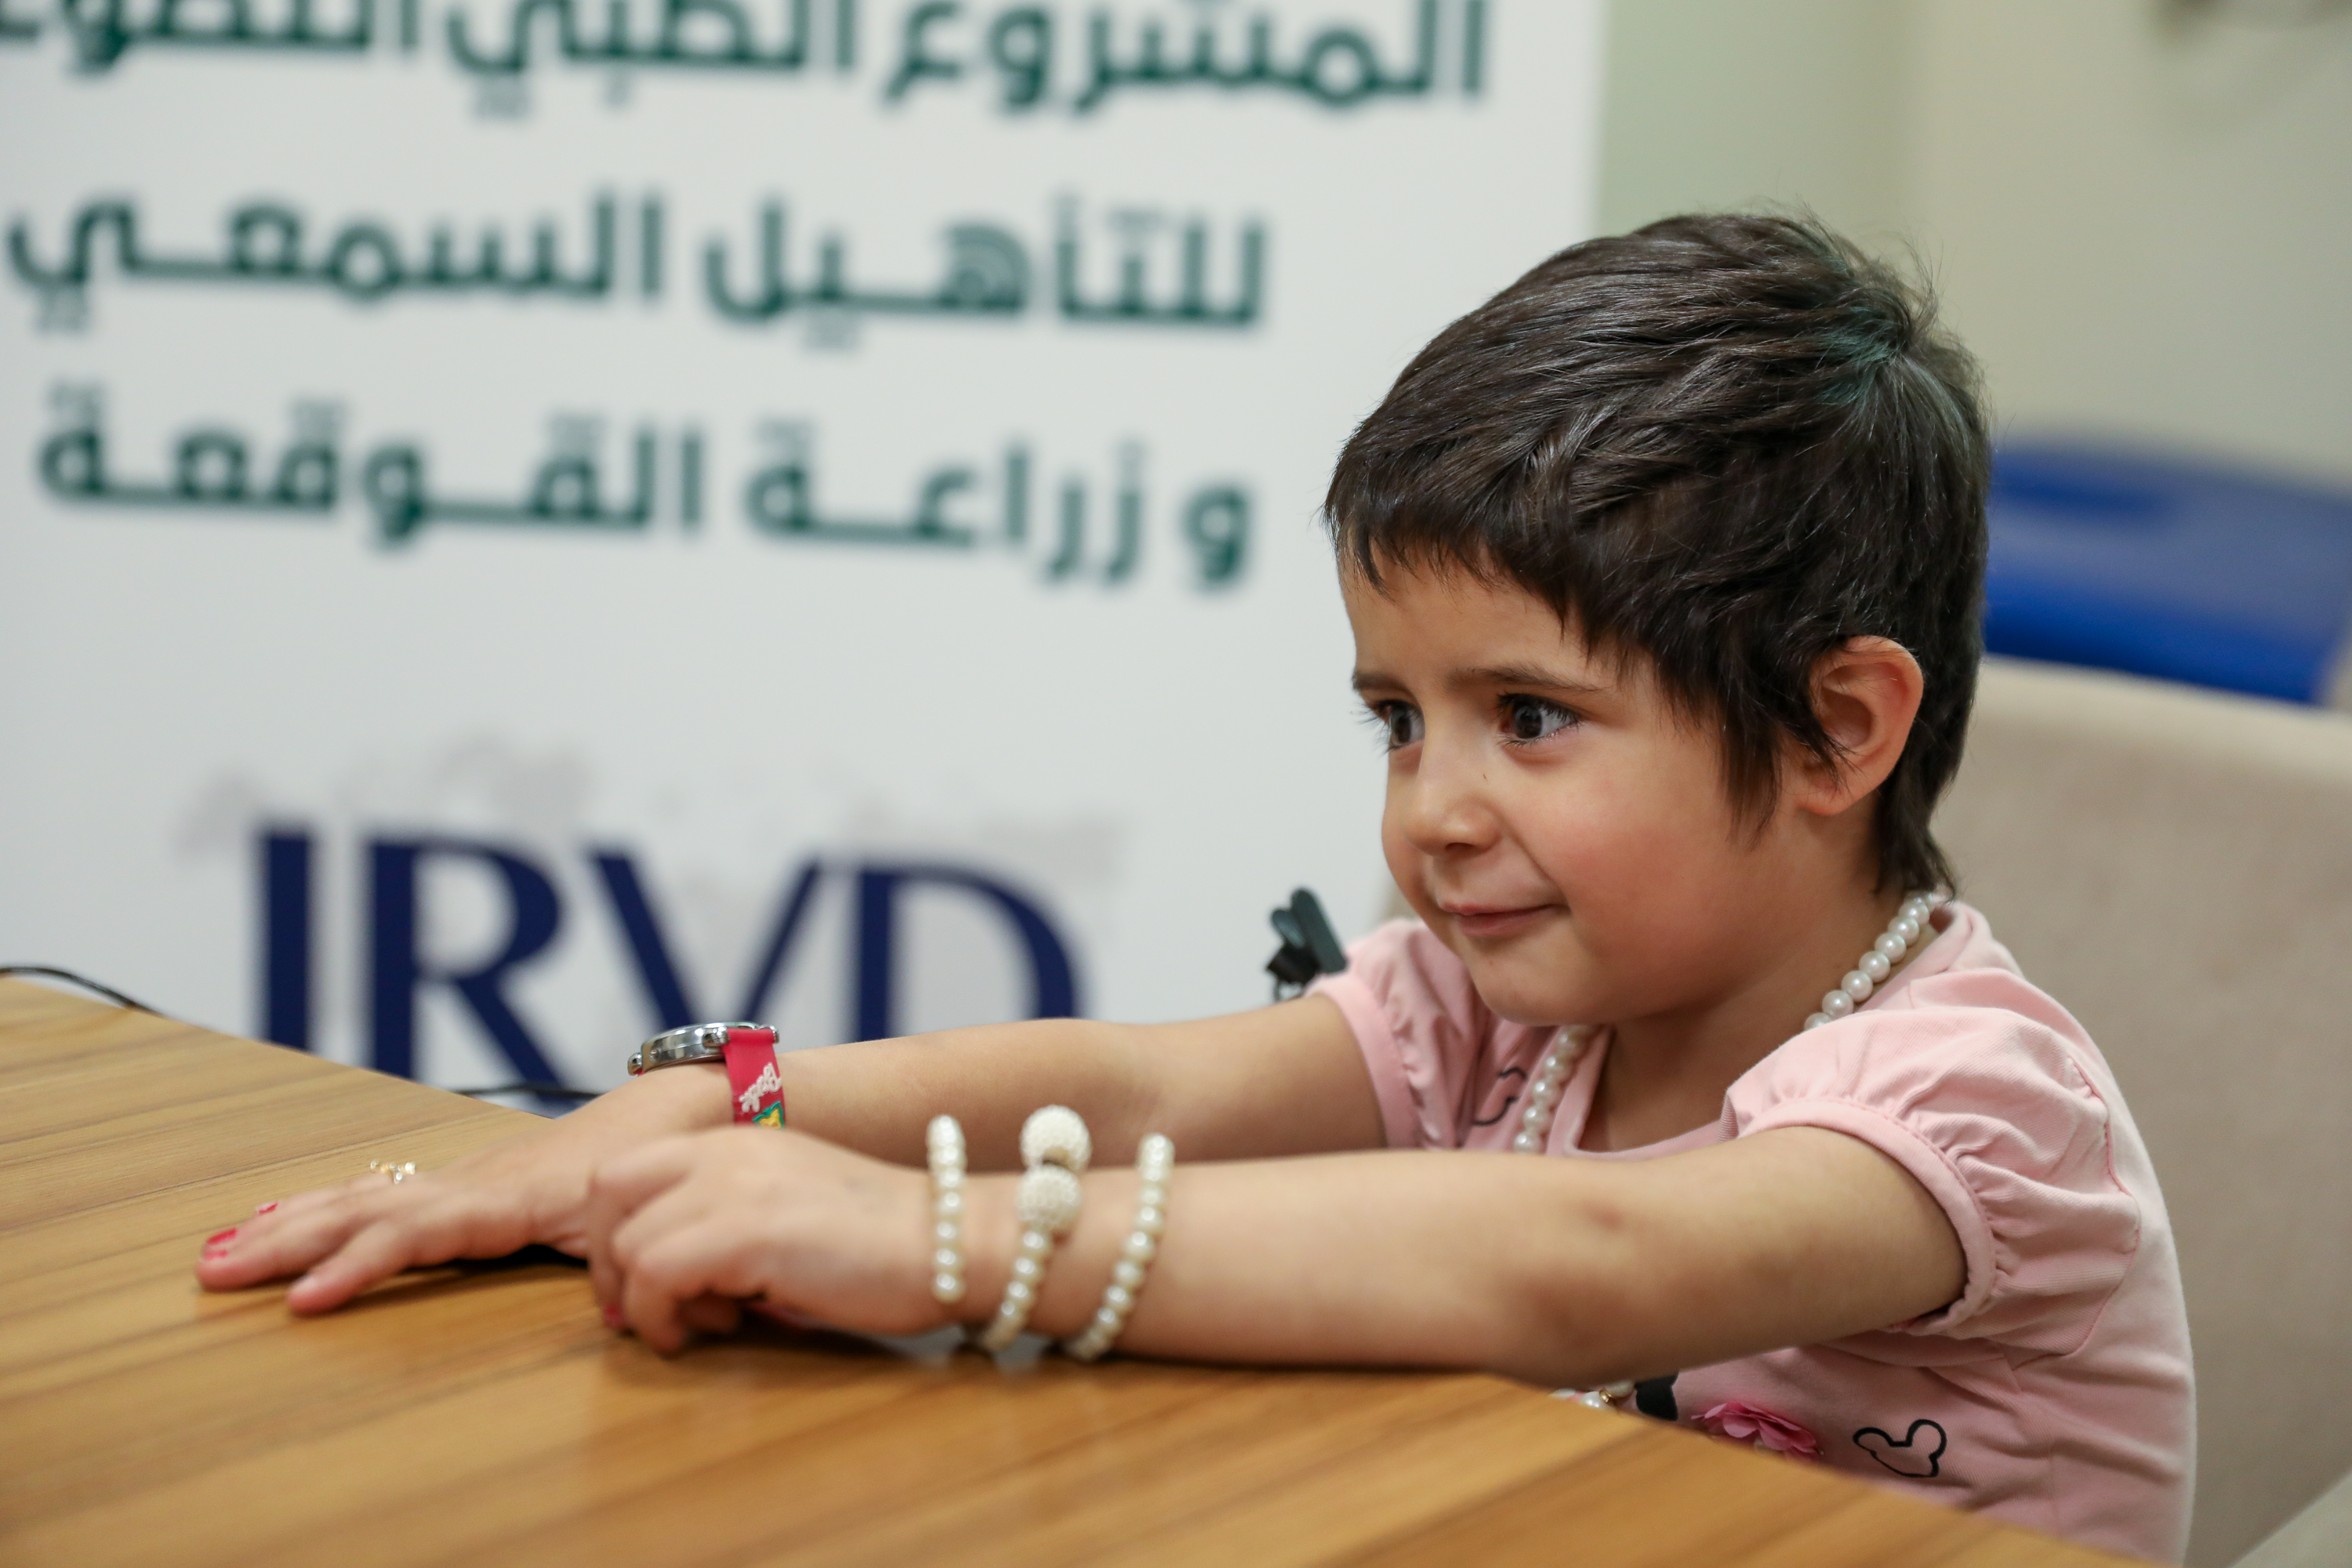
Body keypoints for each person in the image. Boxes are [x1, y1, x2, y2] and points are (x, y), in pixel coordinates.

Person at [196, 214, 2193, 1562]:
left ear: (1842, 728)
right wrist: (704, 1116)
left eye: (1531, 714)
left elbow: (1566, 1263)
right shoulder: (1501, 1003)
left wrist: (944, 1243)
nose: (1438, 809)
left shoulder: (1974, 1110)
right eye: (1397, 720)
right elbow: (1138, 1091)